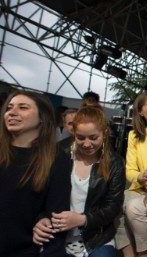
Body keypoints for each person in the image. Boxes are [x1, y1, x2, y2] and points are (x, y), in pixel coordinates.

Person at [33, 103, 126, 256]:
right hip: (56, 235)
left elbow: (113, 207)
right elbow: (40, 193)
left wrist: (83, 220)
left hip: (95, 239)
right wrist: (41, 219)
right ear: (73, 133)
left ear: (104, 133)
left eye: (93, 138)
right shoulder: (58, 153)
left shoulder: (114, 163)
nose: (87, 144)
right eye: (80, 138)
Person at [0, 91, 71, 257]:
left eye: (23, 107)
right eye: (9, 108)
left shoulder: (57, 159)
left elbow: (56, 214)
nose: (12, 112)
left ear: (42, 118)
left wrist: (44, 217)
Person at [116, 90, 147, 257]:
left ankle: (143, 253)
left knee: (132, 208)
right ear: (140, 111)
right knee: (112, 205)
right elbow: (129, 170)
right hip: (139, 188)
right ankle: (129, 254)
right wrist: (140, 176)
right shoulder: (133, 136)